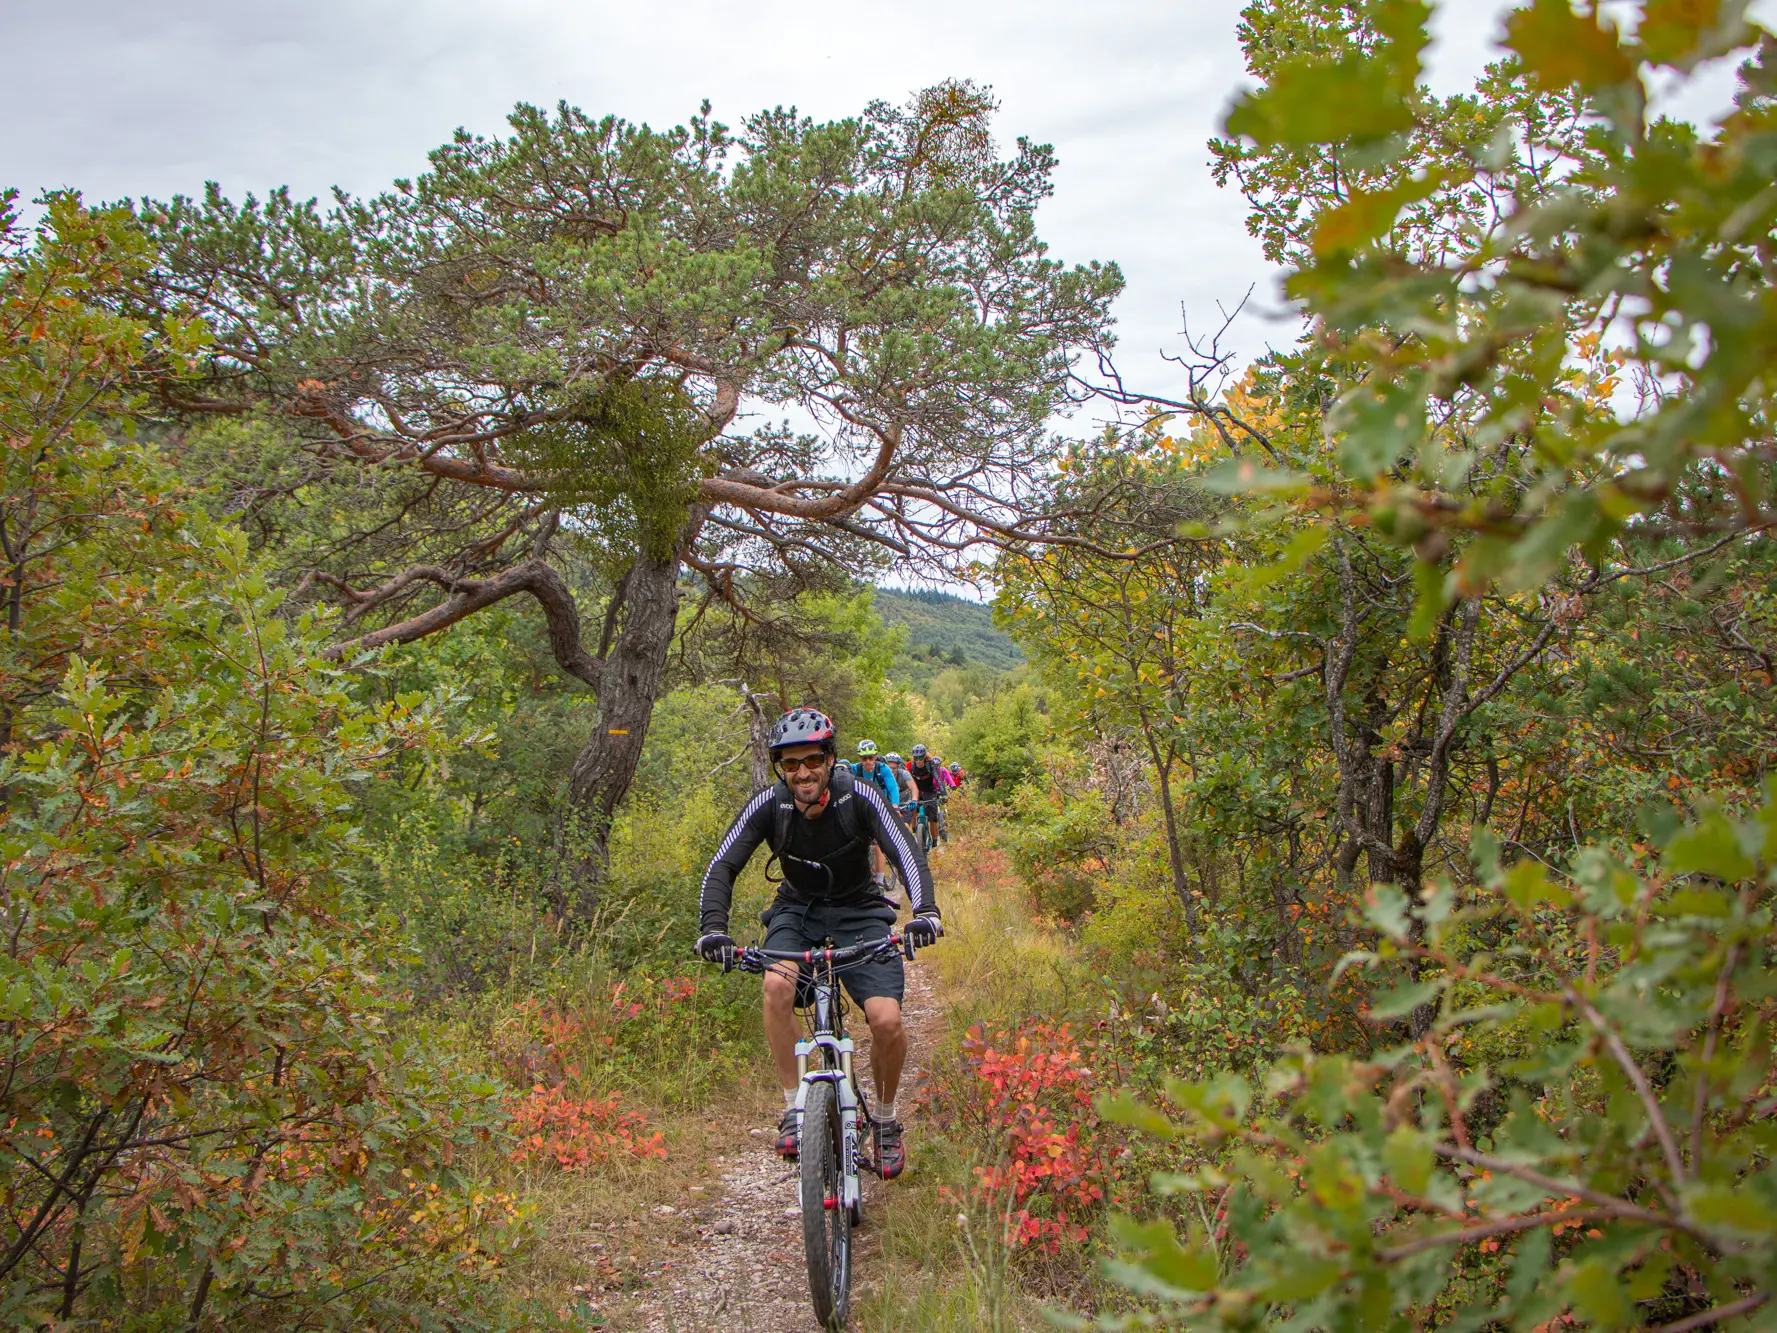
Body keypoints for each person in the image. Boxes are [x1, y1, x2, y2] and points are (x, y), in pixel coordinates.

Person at [695, 708, 942, 1180]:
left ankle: (885, 1122)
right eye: (790, 764)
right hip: (797, 909)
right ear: (780, 768)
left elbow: (905, 851)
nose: (802, 772)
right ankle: (795, 1107)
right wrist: (713, 928)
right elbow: (723, 864)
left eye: (811, 760)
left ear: (829, 758)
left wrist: (926, 912)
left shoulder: (859, 796)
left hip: (860, 909)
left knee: (886, 1019)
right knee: (776, 985)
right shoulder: (771, 805)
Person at [851, 740, 901, 892]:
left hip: (880, 809)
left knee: (878, 845)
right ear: (859, 758)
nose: (868, 761)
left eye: (871, 757)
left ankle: (879, 881)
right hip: (861, 810)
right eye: (864, 758)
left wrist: (895, 805)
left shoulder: (882, 769)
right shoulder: (854, 770)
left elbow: (893, 788)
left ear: (875, 756)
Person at [906, 743, 949, 845]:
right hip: (916, 790)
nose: (918, 761)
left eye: (920, 758)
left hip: (929, 791)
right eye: (916, 758)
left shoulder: (930, 764)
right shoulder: (911, 765)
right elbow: (906, 779)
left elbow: (938, 778)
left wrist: (943, 793)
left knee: (933, 818)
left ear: (924, 756)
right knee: (912, 809)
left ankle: (934, 841)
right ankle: (915, 832)